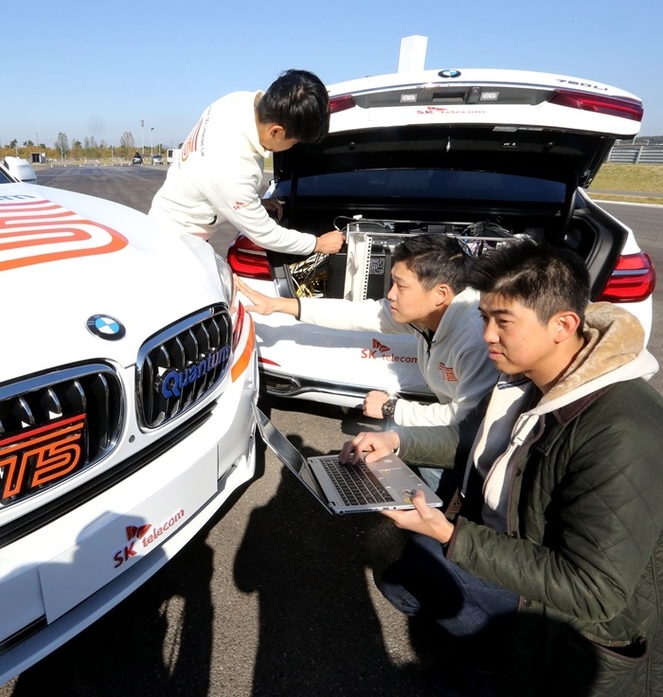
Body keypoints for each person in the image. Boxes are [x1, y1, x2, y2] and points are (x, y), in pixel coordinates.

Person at [343, 239, 663, 696]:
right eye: (484, 318)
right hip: (516, 543)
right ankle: (489, 653)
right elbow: (473, 438)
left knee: (406, 559)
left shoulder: (620, 431)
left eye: (503, 322)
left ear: (563, 325)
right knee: (400, 563)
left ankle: (501, 669)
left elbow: (594, 591)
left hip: (580, 623)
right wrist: (395, 439)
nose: (488, 335)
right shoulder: (530, 375)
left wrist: (452, 536)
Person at [236, 233, 499, 493]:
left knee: (406, 434)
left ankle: (447, 519)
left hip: (484, 441)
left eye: (401, 286)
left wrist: (392, 407)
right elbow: (358, 314)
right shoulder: (433, 313)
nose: (391, 294)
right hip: (459, 424)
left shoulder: (475, 339)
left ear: (440, 293)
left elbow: (464, 423)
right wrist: (278, 304)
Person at [148, 69, 345, 256]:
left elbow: (220, 183)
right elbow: (265, 234)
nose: (294, 147)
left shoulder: (235, 102)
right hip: (175, 245)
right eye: (294, 142)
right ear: (276, 131)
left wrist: (252, 203)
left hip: (168, 217)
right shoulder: (232, 169)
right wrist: (318, 244)